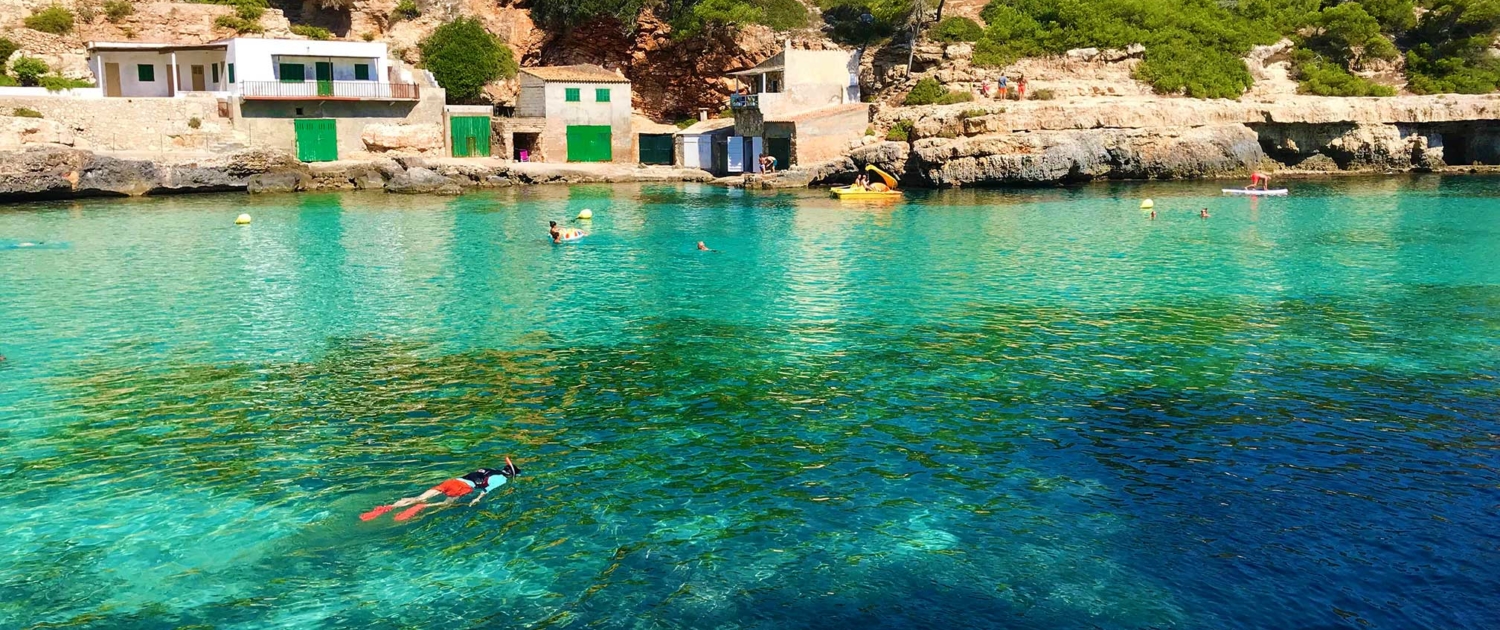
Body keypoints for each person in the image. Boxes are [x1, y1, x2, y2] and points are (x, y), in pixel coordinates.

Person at [362, 458, 522, 521]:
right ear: (510, 475)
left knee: (419, 497)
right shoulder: (501, 479)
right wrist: (476, 499)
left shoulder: (487, 469)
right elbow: (486, 490)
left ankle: (387, 507)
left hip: (452, 481)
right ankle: (423, 507)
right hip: (463, 488)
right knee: (446, 504)